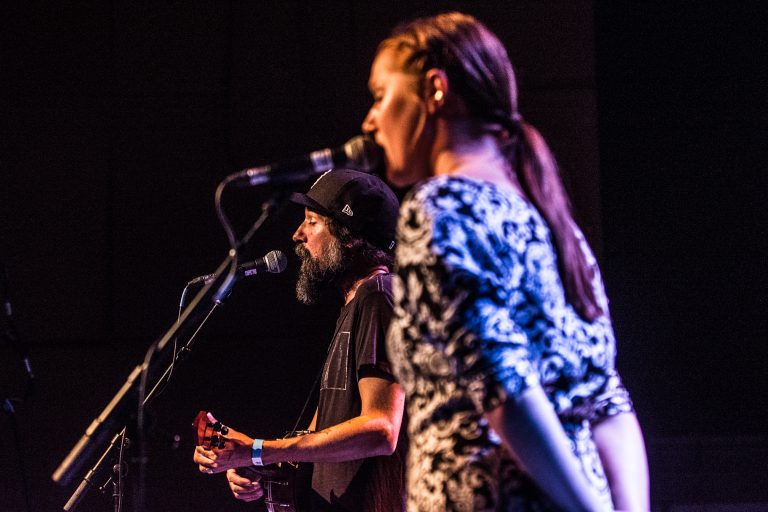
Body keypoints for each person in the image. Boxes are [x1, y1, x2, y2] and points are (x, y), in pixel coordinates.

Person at [361, 12, 650, 512]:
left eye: (381, 95)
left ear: (435, 90)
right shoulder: (558, 228)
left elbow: (505, 389)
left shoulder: (440, 210)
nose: (370, 120)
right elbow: (608, 404)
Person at [193, 169, 406, 512]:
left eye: (311, 221)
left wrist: (260, 449)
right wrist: (253, 461)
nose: (297, 235)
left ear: (348, 235)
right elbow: (320, 438)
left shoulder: (379, 296)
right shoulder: (355, 306)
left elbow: (381, 429)